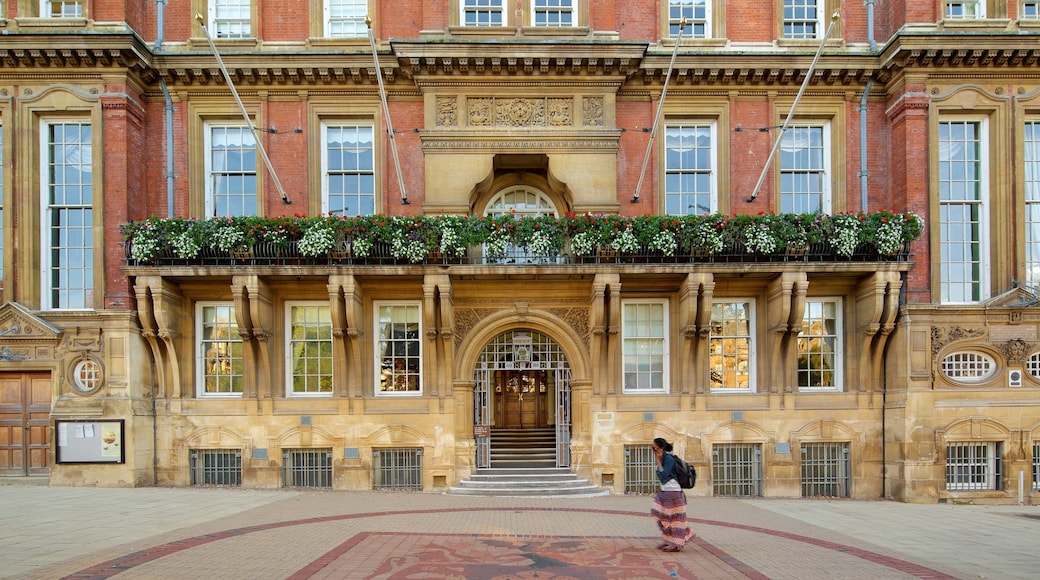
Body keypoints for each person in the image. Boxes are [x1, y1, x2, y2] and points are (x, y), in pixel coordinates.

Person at [650, 437, 695, 552]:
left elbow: (664, 475)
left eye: (654, 448)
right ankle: (669, 540)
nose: (653, 451)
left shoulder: (668, 458)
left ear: (661, 448)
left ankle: (678, 541)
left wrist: (659, 461)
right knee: (660, 515)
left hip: (673, 491)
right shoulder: (663, 458)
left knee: (674, 518)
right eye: (652, 449)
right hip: (665, 491)